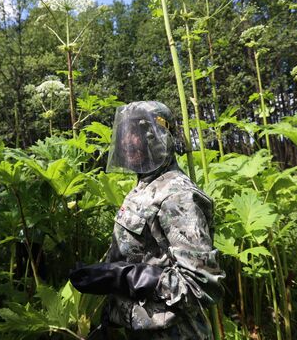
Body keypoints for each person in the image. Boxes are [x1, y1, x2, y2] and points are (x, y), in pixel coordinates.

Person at [70, 101, 225, 339]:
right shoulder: (145, 185)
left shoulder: (178, 195)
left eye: (137, 132)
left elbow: (200, 286)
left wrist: (127, 277)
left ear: (158, 137)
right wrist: (106, 275)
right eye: (125, 133)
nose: (127, 141)